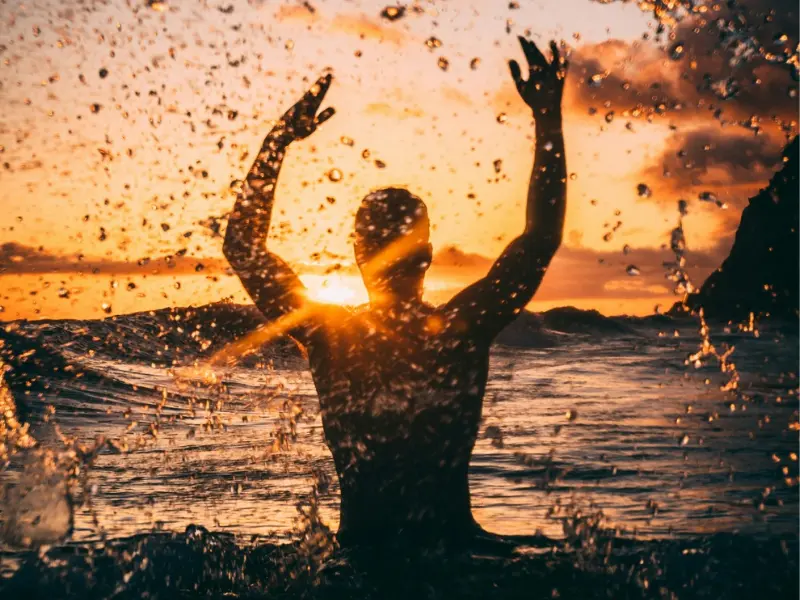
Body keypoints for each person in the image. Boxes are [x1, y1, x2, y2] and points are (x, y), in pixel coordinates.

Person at [223, 37, 568, 550]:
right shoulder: (461, 328)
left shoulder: (329, 337)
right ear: (428, 255)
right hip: (458, 553)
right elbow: (540, 238)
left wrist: (278, 141)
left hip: (363, 557)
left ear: (359, 255)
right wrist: (548, 121)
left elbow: (242, 245)